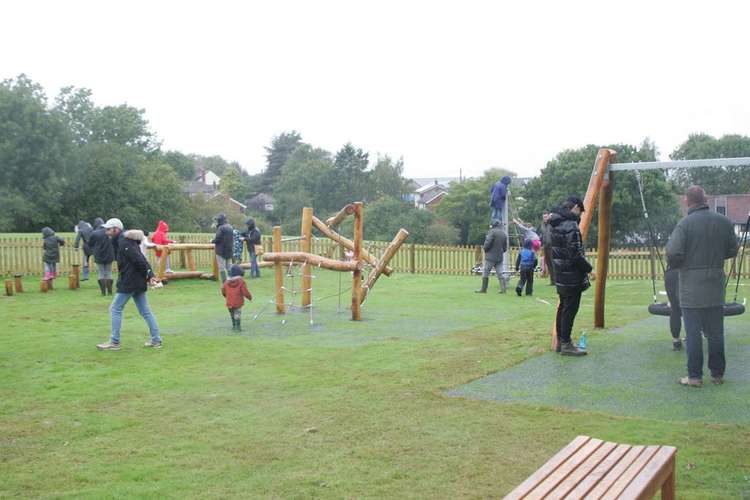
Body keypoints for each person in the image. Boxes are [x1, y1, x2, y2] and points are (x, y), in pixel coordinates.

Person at [666, 185, 737, 387]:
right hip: (715, 285)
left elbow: (672, 252)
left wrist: (683, 263)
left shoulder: (684, 224)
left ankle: (695, 377)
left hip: (690, 288)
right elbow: (732, 249)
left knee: (693, 332)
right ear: (705, 200)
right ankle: (717, 374)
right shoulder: (723, 222)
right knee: (716, 332)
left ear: (687, 201)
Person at [96, 229, 163, 350]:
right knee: (145, 312)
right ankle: (156, 340)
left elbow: (140, 261)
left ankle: (114, 341)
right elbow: (143, 261)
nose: (107, 231)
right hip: (137, 282)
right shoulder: (132, 244)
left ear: (116, 229)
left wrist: (150, 276)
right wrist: (150, 275)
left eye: (109, 229)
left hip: (129, 282)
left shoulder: (125, 244)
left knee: (115, 309)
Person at [549, 196, 592, 356]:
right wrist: (589, 269)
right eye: (580, 211)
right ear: (575, 207)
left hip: (560, 272)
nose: (581, 215)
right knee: (570, 310)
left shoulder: (555, 223)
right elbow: (575, 254)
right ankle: (566, 344)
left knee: (562, 308)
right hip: (572, 274)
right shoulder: (571, 225)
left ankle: (561, 342)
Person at [476, 220, 508, 294]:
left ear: (493, 225)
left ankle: (483, 289)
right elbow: (505, 248)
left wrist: (485, 249)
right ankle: (503, 290)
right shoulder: (503, 234)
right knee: (500, 273)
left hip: (490, 256)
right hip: (499, 256)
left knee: (486, 272)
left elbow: (487, 243)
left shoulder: (491, 232)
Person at [221, 264, 253, 332]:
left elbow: (223, 290)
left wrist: (225, 296)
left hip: (229, 302)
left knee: (232, 314)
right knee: (237, 314)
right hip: (238, 302)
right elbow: (245, 291)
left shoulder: (226, 282)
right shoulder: (241, 281)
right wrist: (249, 297)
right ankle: (237, 327)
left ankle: (234, 326)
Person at [88, 217, 114, 296]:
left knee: (101, 272)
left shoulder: (94, 233)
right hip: (109, 254)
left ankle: (103, 292)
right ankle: (109, 291)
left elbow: (90, 243)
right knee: (109, 272)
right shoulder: (110, 232)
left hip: (99, 255)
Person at [664, 264, 682, 351]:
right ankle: (696, 336)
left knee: (675, 309)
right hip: (690, 271)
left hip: (671, 272)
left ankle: (676, 340)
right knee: (693, 307)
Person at [212, 213, 234, 283]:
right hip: (229, 249)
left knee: (221, 267)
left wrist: (212, 241)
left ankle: (224, 282)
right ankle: (231, 280)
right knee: (229, 266)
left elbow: (218, 238)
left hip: (221, 250)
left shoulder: (220, 228)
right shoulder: (230, 227)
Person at [541, 211, 555, 285]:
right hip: (545, 246)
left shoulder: (552, 223)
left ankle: (556, 281)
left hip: (552, 246)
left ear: (549, 216)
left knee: (553, 264)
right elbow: (543, 235)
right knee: (549, 264)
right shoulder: (543, 225)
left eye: (546, 217)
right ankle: (552, 281)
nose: (545, 218)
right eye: (544, 217)